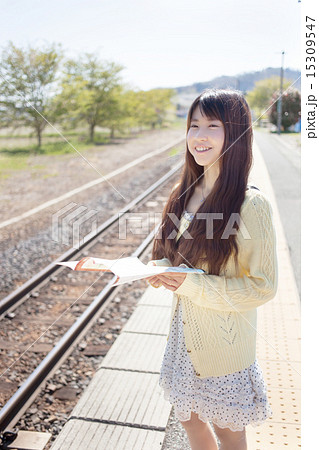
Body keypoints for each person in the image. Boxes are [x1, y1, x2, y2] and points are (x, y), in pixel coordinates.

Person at [146, 89, 278, 450]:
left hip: (225, 346)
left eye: (212, 126)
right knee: (189, 421)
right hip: (182, 337)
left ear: (235, 132)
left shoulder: (251, 204)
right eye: (193, 125)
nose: (199, 136)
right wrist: (156, 271)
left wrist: (187, 285)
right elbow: (174, 256)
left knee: (229, 433)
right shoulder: (184, 191)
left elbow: (263, 287)